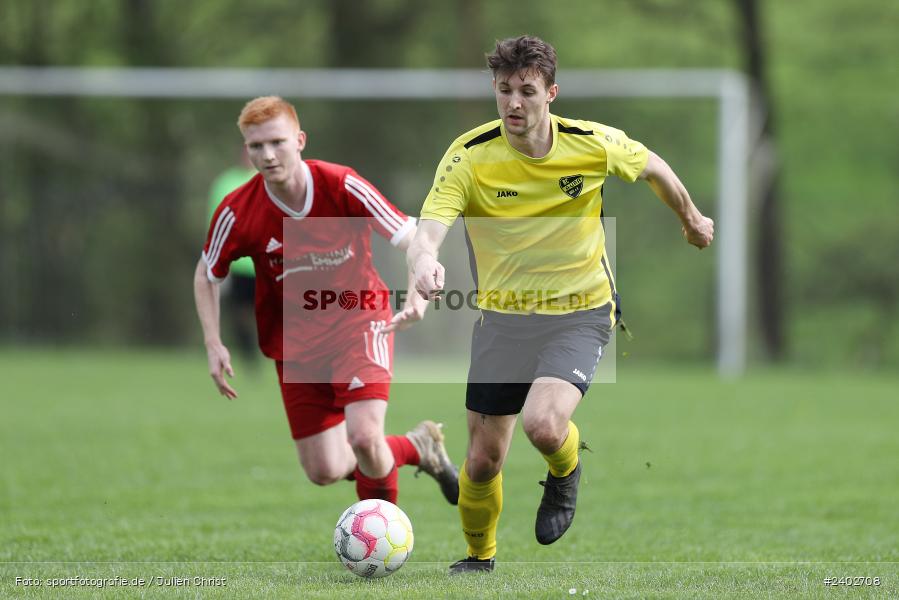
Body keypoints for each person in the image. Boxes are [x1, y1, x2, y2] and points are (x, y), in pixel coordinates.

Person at [402, 36, 714, 573]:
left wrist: (690, 218)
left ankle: (565, 473)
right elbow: (429, 229)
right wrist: (424, 260)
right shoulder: (469, 156)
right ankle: (479, 559)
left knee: (543, 425)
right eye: (504, 91)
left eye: (527, 90)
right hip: (502, 320)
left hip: (581, 311)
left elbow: (655, 168)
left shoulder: (591, 144)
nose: (514, 103)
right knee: (481, 460)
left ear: (552, 92)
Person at [193, 96, 459, 506]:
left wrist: (420, 287)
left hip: (360, 320)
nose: (267, 154)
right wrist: (213, 343)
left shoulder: (341, 185)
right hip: (295, 342)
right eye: (256, 146)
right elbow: (207, 273)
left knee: (364, 437)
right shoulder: (239, 210)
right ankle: (416, 447)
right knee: (325, 470)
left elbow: (411, 235)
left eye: (277, 142)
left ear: (300, 140)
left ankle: (382, 543)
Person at [206, 152, 257, 365]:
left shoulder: (266, 179)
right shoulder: (224, 182)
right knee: (241, 312)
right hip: (238, 264)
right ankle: (249, 353)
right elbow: (214, 220)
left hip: (266, 262)